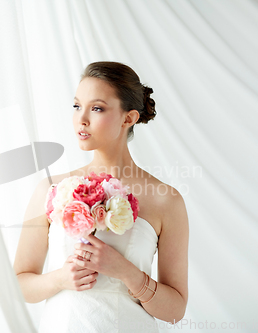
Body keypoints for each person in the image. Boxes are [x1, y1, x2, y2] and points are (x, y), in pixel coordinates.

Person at [14, 61, 189, 332]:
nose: (81, 119)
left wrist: (127, 273)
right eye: (76, 106)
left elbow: (175, 311)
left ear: (128, 118)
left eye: (97, 108)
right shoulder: (51, 189)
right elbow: (20, 284)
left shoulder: (166, 200)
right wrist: (61, 279)